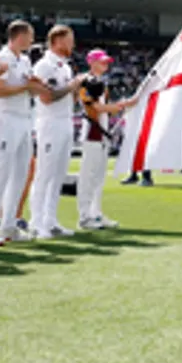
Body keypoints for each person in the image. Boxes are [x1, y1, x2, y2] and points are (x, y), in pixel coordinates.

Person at [0, 20, 44, 244]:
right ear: (19, 35)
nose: (32, 40)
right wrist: (26, 87)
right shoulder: (2, 57)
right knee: (0, 171)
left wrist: (34, 86)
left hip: (24, 118)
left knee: (21, 172)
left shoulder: (24, 60)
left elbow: (27, 87)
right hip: (6, 118)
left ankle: (9, 224)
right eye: (30, 35)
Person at [29, 25, 87, 239]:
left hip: (65, 120)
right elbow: (47, 96)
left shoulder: (65, 67)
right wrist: (73, 85)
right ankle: (37, 222)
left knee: (58, 174)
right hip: (49, 122)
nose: (72, 44)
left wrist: (76, 89)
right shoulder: (44, 66)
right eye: (69, 39)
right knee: (45, 172)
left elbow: (67, 96)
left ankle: (50, 219)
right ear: (58, 41)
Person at [77, 49, 138, 230]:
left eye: (106, 61)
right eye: (102, 61)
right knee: (88, 175)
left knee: (98, 177)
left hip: (101, 132)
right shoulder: (86, 82)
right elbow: (96, 107)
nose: (106, 64)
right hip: (92, 132)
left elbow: (103, 107)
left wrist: (119, 106)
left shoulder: (100, 83)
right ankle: (85, 215)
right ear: (92, 62)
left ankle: (95, 213)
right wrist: (121, 106)